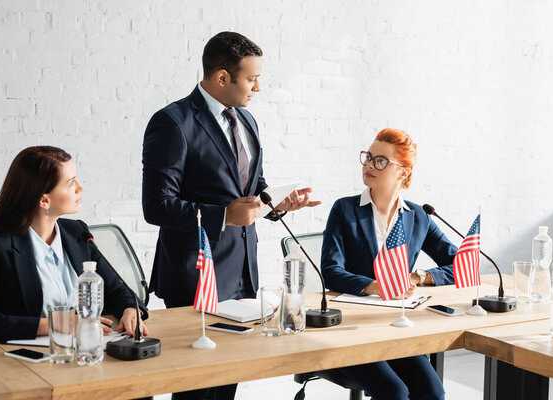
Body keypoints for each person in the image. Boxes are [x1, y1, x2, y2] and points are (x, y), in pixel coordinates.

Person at [142, 32, 318, 399]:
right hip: (196, 275)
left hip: (241, 273)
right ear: (222, 77)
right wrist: (222, 215)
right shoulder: (172, 122)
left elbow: (251, 189)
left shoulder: (248, 121)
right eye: (252, 78)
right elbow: (156, 205)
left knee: (227, 382)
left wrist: (277, 203)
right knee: (196, 388)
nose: (258, 87)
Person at [321, 128, 458, 400]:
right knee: (394, 392)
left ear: (403, 172)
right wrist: (373, 286)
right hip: (352, 329)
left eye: (381, 161)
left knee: (433, 392)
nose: (370, 165)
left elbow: (459, 263)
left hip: (396, 326)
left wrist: (418, 277)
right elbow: (330, 272)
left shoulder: (418, 216)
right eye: (368, 157)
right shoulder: (344, 210)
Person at [0, 146, 148, 342]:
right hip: (21, 361)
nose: (81, 188)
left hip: (84, 350)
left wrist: (131, 310)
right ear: (44, 200)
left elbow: (118, 289)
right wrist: (60, 323)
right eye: (71, 183)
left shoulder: (77, 232)